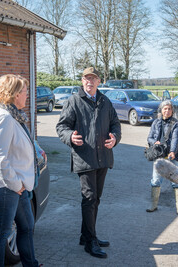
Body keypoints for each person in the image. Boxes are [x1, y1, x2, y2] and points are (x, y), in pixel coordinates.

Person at [56, 67, 121, 259]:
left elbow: (115, 124)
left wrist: (115, 138)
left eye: (93, 79)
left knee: (96, 199)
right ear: (82, 80)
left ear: (99, 81)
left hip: (103, 157)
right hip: (85, 157)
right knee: (90, 198)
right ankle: (91, 241)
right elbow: (62, 126)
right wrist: (70, 136)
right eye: (86, 79)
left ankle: (86, 236)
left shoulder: (105, 101)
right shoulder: (74, 101)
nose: (89, 82)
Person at [0, 74, 40, 266]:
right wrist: (16, 185)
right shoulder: (4, 118)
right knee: (1, 234)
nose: (27, 95)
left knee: (27, 226)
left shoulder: (12, 114)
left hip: (17, 185)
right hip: (6, 187)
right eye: (24, 91)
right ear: (15, 95)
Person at [146, 100, 178, 214]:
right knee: (156, 180)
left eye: (169, 109)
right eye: (165, 109)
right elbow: (149, 138)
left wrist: (172, 151)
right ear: (161, 110)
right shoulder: (156, 122)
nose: (167, 111)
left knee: (176, 180)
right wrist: (155, 142)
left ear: (172, 111)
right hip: (159, 155)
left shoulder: (176, 123)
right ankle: (153, 205)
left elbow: (175, 139)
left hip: (172, 155)